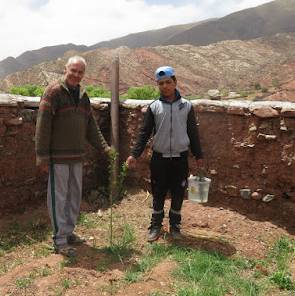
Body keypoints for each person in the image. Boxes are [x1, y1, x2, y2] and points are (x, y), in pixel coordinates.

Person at [35, 55, 111, 257]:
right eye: (73, 70)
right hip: (57, 158)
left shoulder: (83, 96)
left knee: (74, 197)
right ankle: (59, 240)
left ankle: (69, 233)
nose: (76, 75)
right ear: (65, 69)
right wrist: (42, 157)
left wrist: (105, 148)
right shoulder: (53, 92)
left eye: (80, 72)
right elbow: (42, 126)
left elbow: (91, 127)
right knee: (58, 198)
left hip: (77, 157)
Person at [126, 66, 205, 242]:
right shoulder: (154, 107)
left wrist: (199, 156)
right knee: (158, 193)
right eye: (160, 83)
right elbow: (144, 133)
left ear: (175, 82)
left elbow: (193, 132)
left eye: (168, 82)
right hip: (159, 159)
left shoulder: (186, 106)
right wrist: (134, 154)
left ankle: (175, 226)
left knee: (178, 193)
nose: (164, 86)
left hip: (180, 159)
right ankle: (156, 226)